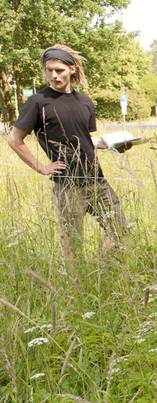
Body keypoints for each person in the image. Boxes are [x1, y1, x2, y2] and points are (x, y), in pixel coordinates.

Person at [6, 44, 130, 261]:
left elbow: (86, 138)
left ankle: (102, 269)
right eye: (49, 70)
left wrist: (112, 144)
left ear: (72, 69)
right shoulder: (38, 102)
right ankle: (75, 285)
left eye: (59, 70)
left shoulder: (85, 101)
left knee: (120, 230)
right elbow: (14, 139)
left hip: (97, 180)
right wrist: (41, 167)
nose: (53, 75)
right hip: (67, 185)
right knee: (72, 244)